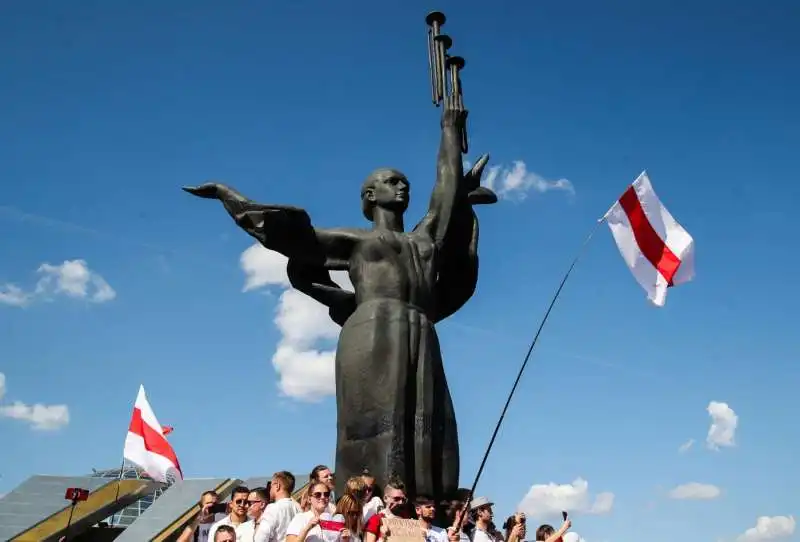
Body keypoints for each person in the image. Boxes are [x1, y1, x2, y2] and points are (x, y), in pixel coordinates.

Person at [185, 98, 494, 501]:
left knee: (428, 423)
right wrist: (234, 200)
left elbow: (445, 190)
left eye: (404, 181)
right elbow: (294, 239)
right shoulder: (356, 241)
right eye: (391, 180)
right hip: (373, 329)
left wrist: (450, 129)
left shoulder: (422, 241)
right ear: (370, 194)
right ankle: (367, 509)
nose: (402, 185)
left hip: (420, 327)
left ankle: (425, 507)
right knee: (379, 424)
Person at [254, 471, 302, 542]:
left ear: (277, 486)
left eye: (271, 486)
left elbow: (260, 538)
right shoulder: (299, 508)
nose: (269, 489)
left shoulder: (272, 508)